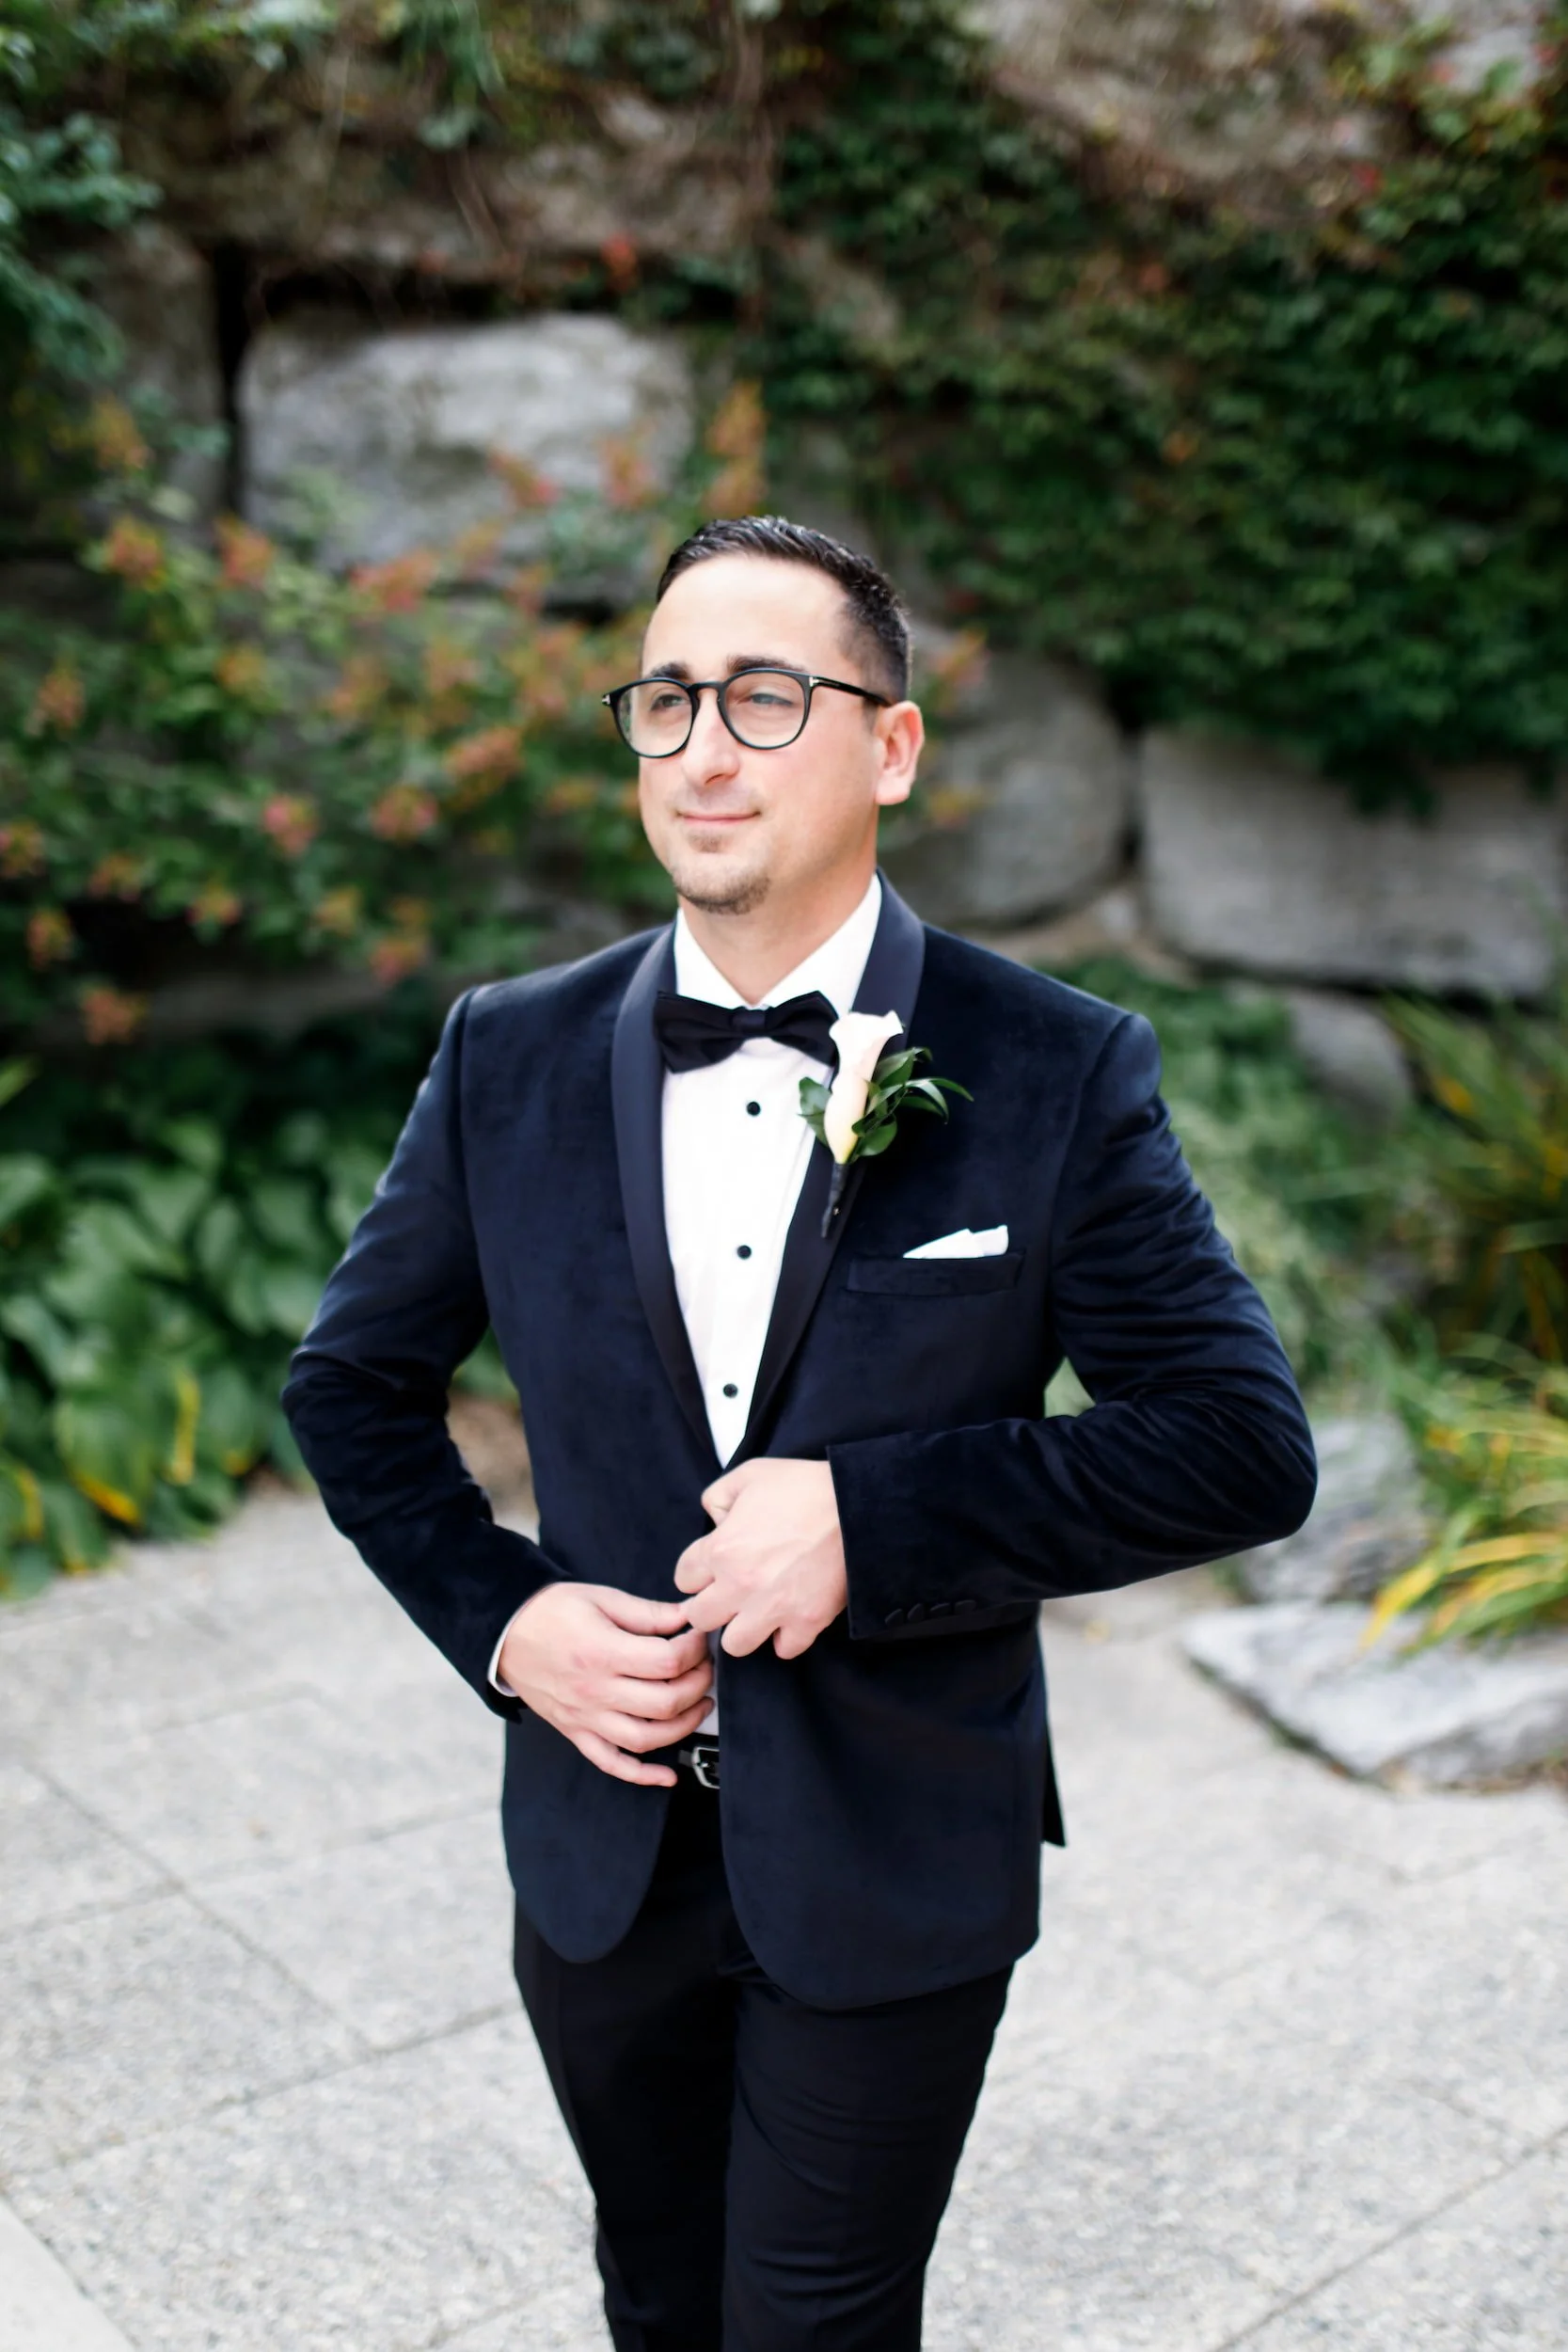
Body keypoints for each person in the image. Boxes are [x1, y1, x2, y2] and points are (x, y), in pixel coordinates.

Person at [283, 516, 1317, 2352]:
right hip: (600, 1855)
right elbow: (347, 1386)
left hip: (890, 1844)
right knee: (657, 2295)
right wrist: (508, 1624)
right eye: (666, 698)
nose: (702, 747)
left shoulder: (1053, 1064)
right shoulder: (506, 1052)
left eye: (764, 697)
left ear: (888, 747)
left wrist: (872, 1520)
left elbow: (1236, 1440)